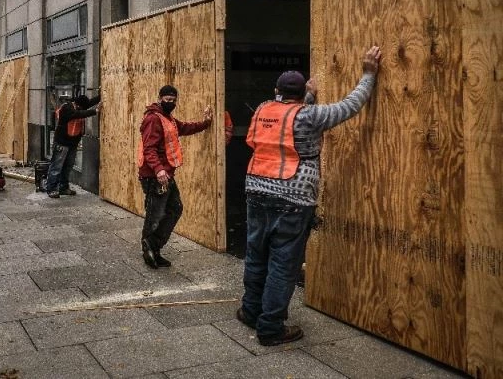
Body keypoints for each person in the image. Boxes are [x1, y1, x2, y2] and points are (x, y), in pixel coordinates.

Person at [238, 46, 382, 346]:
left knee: (256, 256)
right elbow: (350, 105)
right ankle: (270, 327)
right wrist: (368, 74)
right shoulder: (311, 116)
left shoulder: (263, 109)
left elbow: (288, 121)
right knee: (283, 264)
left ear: (276, 90)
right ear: (302, 90)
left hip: (256, 192)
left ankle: (251, 311)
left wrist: (307, 96)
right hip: (293, 200)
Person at [138, 85, 212, 268]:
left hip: (165, 174)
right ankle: (149, 249)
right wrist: (159, 170)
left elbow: (184, 128)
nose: (170, 103)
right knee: (155, 214)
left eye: (173, 100)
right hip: (155, 176)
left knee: (174, 209)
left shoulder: (167, 118)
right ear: (160, 98)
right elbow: (149, 149)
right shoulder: (153, 119)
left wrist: (205, 123)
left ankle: (153, 246)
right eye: (167, 100)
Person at [45, 93, 101, 198]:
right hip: (62, 143)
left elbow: (90, 103)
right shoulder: (67, 108)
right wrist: (95, 111)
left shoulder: (80, 105)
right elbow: (78, 114)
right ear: (77, 104)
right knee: (57, 167)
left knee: (68, 167)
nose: (82, 109)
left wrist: (101, 94)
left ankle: (63, 187)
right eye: (81, 107)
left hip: (72, 144)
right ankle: (51, 188)